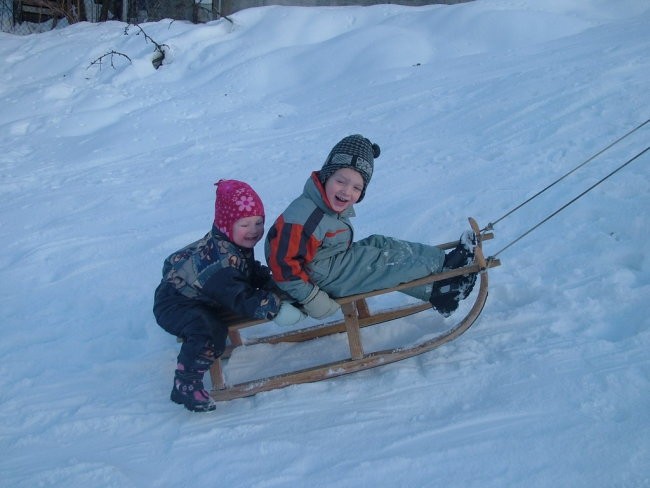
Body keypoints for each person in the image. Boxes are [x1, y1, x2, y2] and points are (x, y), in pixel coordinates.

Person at [265, 134, 477, 322]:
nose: (347, 192)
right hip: (316, 279)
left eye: (357, 187)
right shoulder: (305, 217)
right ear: (326, 176)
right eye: (341, 181)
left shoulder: (324, 205)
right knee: (381, 262)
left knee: (380, 243)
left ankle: (443, 264)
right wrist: (312, 298)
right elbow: (282, 265)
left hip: (328, 263)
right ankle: (442, 287)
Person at [153, 179, 305, 412]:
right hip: (176, 304)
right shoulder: (221, 263)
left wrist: (276, 285)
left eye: (259, 222)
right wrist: (274, 306)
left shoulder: (232, 246)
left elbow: (249, 271)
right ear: (226, 225)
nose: (254, 230)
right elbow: (240, 298)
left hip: (200, 293)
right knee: (209, 330)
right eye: (245, 224)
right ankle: (185, 383)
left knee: (219, 314)